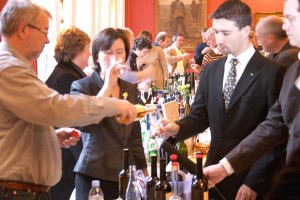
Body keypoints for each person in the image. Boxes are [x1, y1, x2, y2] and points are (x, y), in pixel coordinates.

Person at [0, 1, 137, 199]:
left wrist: (50, 138)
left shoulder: (14, 66)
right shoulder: (10, 68)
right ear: (23, 29)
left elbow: (19, 123)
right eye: (44, 31)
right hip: (16, 191)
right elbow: (53, 107)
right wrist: (114, 104)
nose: (48, 40)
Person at [156, 0, 286, 199]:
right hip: (213, 172)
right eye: (216, 32)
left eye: (225, 33)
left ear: (244, 31)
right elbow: (199, 116)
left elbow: (275, 133)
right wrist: (177, 128)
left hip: (251, 177)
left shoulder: (273, 72)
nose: (218, 39)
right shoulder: (211, 70)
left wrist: (254, 182)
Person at [202, 0, 300, 193]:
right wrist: (225, 167)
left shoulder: (279, 68)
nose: (284, 25)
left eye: (290, 18)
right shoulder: (293, 71)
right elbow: (273, 126)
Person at [71, 28, 148, 200]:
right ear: (97, 57)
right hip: (94, 173)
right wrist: (107, 85)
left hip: (127, 174)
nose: (114, 58)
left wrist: (143, 168)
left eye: (119, 52)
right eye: (107, 53)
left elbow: (135, 134)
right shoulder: (82, 87)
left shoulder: (129, 88)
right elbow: (85, 123)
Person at [45, 26, 91, 200]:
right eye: (88, 49)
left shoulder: (66, 72)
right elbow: (73, 121)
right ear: (77, 50)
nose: (90, 55)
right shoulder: (67, 77)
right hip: (66, 162)